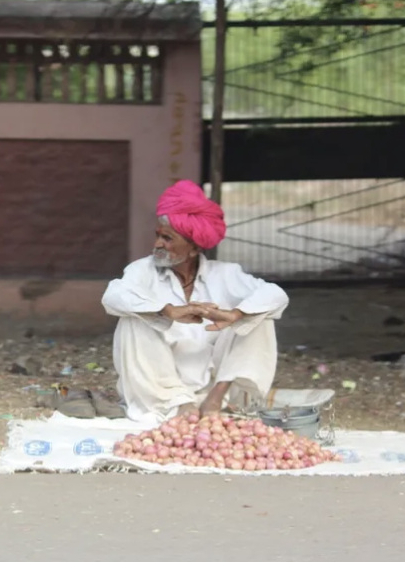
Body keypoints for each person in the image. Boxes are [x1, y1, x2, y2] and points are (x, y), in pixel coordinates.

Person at [102, 180, 289, 423]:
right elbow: (112, 295)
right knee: (133, 319)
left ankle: (215, 398)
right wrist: (168, 311)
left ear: (194, 247)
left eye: (167, 239)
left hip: (216, 389)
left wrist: (236, 315)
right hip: (159, 392)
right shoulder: (142, 271)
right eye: (158, 236)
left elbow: (276, 294)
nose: (158, 244)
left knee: (260, 315)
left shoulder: (226, 274)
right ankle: (180, 403)